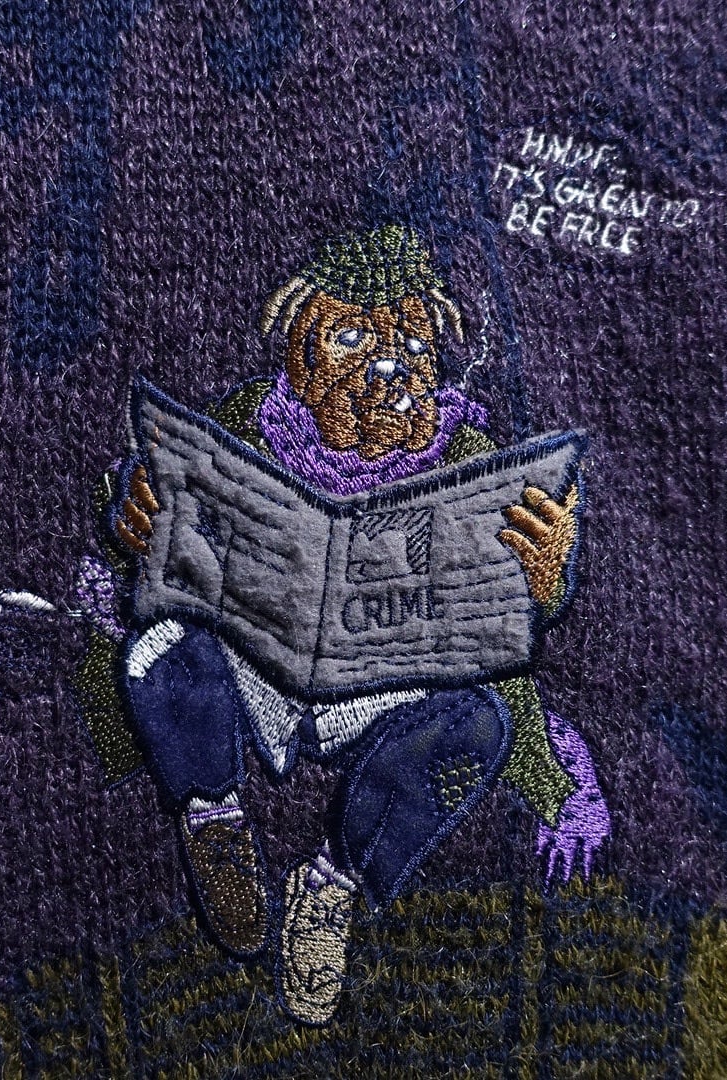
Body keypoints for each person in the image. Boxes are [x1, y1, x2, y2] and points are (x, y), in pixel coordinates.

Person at [112, 225, 610, 1025]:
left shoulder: (470, 457)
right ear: (300, 354)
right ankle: (213, 822)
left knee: (474, 724)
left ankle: (335, 883)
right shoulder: (246, 426)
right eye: (350, 339)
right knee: (161, 652)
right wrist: (145, 524)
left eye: (413, 344)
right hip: (255, 663)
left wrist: (542, 575)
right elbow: (168, 527)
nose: (389, 368)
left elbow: (506, 620)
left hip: (387, 686)